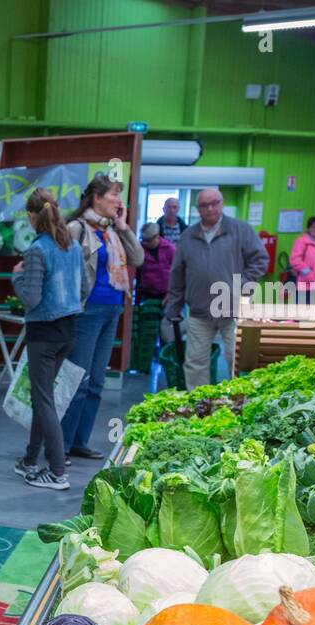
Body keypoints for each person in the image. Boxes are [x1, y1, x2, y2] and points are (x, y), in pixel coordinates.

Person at [11, 188, 93, 491]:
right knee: (42, 396)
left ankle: (58, 472)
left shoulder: (36, 250)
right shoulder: (72, 246)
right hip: (68, 331)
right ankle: (30, 460)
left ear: (32, 216)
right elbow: (84, 290)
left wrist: (17, 277)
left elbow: (31, 299)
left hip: (43, 334)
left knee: (43, 400)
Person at [60, 173, 144, 463]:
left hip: (112, 309)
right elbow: (62, 267)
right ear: (97, 198)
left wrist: (123, 227)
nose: (119, 201)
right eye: (114, 195)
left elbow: (138, 258)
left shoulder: (112, 230)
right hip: (86, 311)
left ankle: (79, 442)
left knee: (96, 382)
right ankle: (61, 445)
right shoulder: (76, 228)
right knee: (78, 381)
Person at [163, 188, 268, 390]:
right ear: (197, 209)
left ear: (222, 203)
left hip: (234, 310)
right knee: (195, 364)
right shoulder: (187, 236)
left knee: (237, 361)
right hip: (200, 312)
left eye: (214, 203)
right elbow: (177, 274)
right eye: (204, 205)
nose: (210, 209)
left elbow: (260, 260)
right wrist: (174, 307)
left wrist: (241, 285)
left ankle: (239, 402)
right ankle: (199, 404)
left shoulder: (241, 230)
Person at [135, 222, 176, 367]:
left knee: (167, 333)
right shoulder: (140, 250)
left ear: (157, 237)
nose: (144, 242)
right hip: (148, 296)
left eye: (148, 240)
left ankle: (168, 361)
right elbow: (137, 274)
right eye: (143, 239)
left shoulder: (170, 249)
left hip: (168, 295)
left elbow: (179, 274)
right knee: (148, 331)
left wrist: (171, 294)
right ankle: (146, 363)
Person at [289, 216, 315, 294]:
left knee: (311, 301)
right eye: (313, 227)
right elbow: (295, 260)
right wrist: (308, 273)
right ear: (308, 228)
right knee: (301, 301)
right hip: (303, 281)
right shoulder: (301, 241)